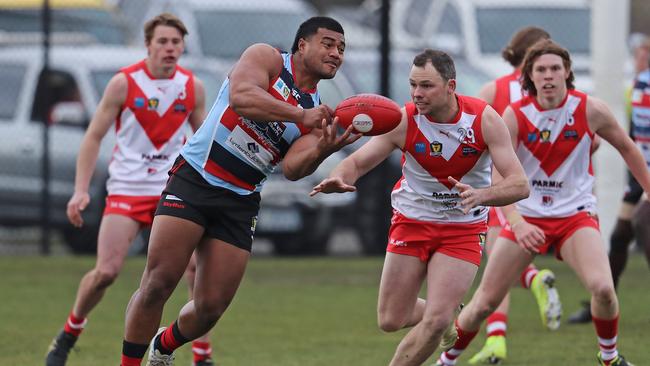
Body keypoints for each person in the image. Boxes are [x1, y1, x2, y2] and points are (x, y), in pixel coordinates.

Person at [119, 16, 358, 366]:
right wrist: (298, 116)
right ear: (302, 45)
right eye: (328, 43)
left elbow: (292, 169)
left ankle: (164, 346)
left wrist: (325, 147)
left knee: (211, 307)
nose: (336, 53)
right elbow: (242, 97)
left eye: (341, 48)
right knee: (158, 283)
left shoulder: (314, 110)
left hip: (240, 200)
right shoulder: (268, 59)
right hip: (197, 179)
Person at [435, 39, 649, 366]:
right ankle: (446, 361)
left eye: (554, 68)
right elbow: (497, 175)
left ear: (567, 72)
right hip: (527, 217)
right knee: (483, 304)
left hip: (575, 217)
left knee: (604, 290)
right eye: (540, 70)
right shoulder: (516, 114)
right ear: (530, 77)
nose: (548, 76)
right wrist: (517, 223)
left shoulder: (590, 109)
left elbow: (628, 148)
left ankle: (610, 358)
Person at [310, 49, 529, 366]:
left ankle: (441, 315)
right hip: (411, 222)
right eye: (413, 84)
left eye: (426, 85)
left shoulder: (484, 119)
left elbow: (519, 184)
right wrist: (337, 177)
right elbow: (357, 162)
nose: (416, 93)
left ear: (451, 86)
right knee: (390, 319)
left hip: (463, 229)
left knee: (437, 321)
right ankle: (449, 310)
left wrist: (482, 195)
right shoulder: (403, 120)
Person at [44, 13, 215, 366]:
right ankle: (69, 332)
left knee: (194, 270)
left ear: (183, 47)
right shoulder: (124, 83)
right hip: (127, 188)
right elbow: (93, 136)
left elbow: (205, 143)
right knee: (106, 272)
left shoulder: (192, 87)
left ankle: (202, 355)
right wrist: (80, 191)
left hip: (173, 188)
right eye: (162, 42)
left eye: (175, 42)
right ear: (148, 45)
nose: (170, 48)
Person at [469, 26, 559, 364]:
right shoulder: (551, 92)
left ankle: (496, 341)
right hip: (536, 186)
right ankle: (534, 279)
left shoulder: (495, 88)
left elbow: (470, 129)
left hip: (501, 184)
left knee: (497, 264)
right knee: (500, 260)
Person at [569, 33, 650, 324]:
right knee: (620, 236)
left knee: (642, 221)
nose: (639, 56)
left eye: (643, 51)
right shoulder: (639, 84)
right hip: (641, 173)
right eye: (638, 51)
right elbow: (634, 130)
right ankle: (603, 303)